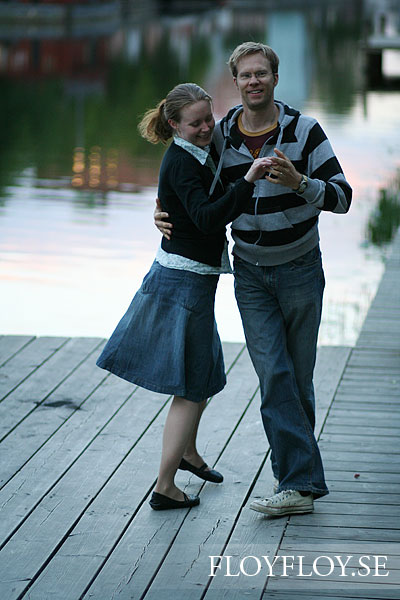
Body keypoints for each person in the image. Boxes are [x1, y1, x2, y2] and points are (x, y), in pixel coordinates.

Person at [154, 43, 352, 516]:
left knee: (297, 379)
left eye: (261, 73)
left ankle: (298, 482)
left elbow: (343, 198)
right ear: (236, 82)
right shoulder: (220, 136)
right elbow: (191, 191)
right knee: (273, 374)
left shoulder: (304, 131)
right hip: (249, 272)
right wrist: (162, 213)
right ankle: (299, 483)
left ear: (275, 78)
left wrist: (300, 184)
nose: (253, 82)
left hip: (301, 269)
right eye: (244, 76)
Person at [96, 82, 271, 511]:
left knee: (206, 371)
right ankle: (165, 486)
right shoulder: (180, 161)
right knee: (192, 387)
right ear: (174, 124)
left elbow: (185, 201)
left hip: (196, 279)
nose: (207, 128)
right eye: (195, 123)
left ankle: (188, 453)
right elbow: (209, 219)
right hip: (183, 282)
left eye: (209, 119)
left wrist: (162, 205)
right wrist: (248, 179)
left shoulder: (200, 148)